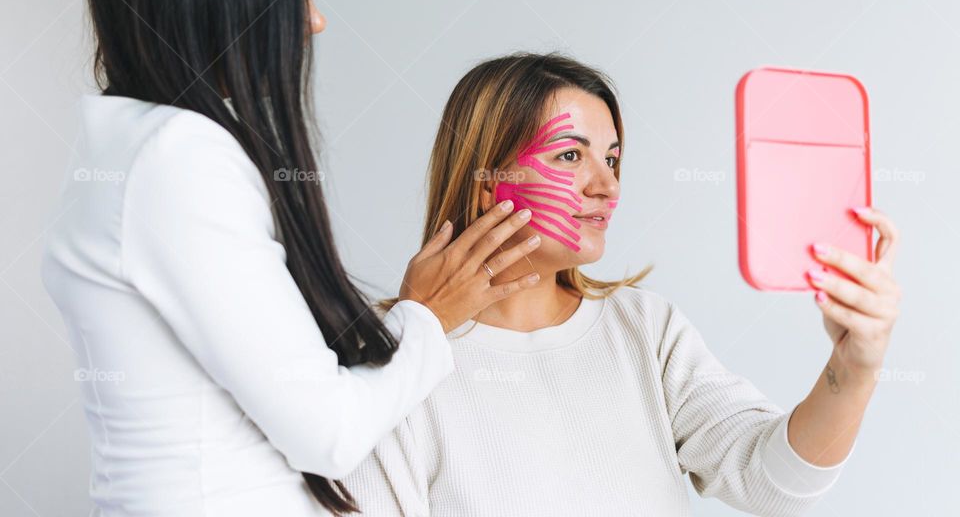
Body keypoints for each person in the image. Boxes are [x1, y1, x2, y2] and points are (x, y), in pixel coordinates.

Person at [39, 0, 542, 515]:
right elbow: (325, 433)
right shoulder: (176, 159)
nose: (315, 19)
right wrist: (426, 317)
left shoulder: (126, 149)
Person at [345, 53, 903, 516]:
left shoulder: (645, 328)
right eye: (571, 156)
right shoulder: (392, 357)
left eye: (612, 159)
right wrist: (414, 330)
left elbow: (774, 486)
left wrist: (853, 370)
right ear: (488, 181)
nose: (607, 186)